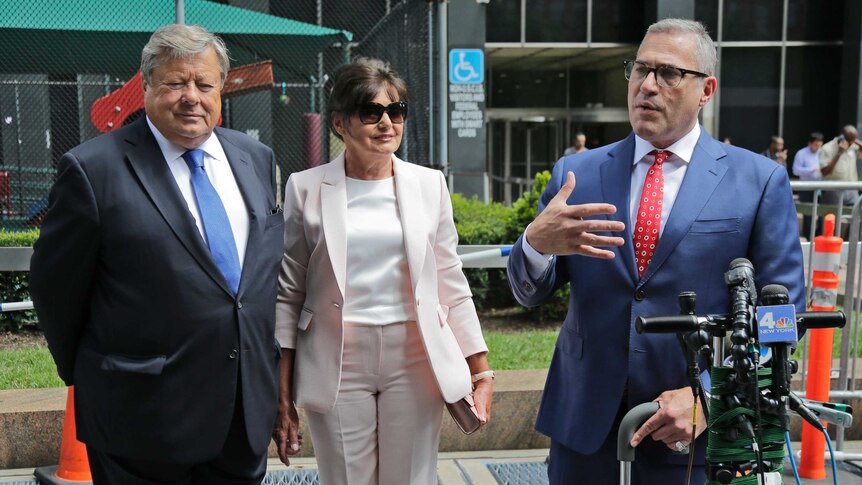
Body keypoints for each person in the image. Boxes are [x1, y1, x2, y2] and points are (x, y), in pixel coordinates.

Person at [507, 19, 804, 485]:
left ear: (706, 89)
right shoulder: (576, 174)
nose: (646, 85)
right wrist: (534, 246)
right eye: (639, 69)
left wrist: (708, 397)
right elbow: (529, 294)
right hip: (585, 427)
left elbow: (781, 319)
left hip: (693, 434)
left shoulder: (758, 181)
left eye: (668, 73)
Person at [29, 24, 284, 484]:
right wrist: (92, 376)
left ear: (221, 89)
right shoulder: (92, 170)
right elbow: (55, 290)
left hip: (241, 416)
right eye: (175, 83)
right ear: (145, 86)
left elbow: (258, 286)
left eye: (205, 84)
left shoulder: (256, 158)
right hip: (139, 420)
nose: (192, 97)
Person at [272, 57, 493, 485]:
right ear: (340, 122)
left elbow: (451, 280)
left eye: (396, 111)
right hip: (336, 357)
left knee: (411, 478)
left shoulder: (429, 186)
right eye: (370, 112)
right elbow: (289, 292)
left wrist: (480, 369)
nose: (386, 123)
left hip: (414, 353)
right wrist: (281, 390)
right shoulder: (305, 186)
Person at [820, 125, 862, 209]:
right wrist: (839, 153)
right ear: (842, 136)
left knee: (856, 216)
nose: (850, 144)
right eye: (849, 140)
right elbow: (824, 172)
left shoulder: (852, 146)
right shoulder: (827, 148)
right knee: (832, 217)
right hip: (834, 190)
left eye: (852, 140)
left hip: (852, 189)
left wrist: (855, 141)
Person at [792, 131, 824, 238]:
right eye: (815, 145)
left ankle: (820, 234)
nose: (817, 147)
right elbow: (796, 170)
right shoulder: (801, 153)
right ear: (810, 143)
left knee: (822, 212)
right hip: (806, 187)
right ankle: (808, 235)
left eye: (819, 145)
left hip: (821, 187)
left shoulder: (822, 152)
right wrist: (811, 170)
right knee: (808, 213)